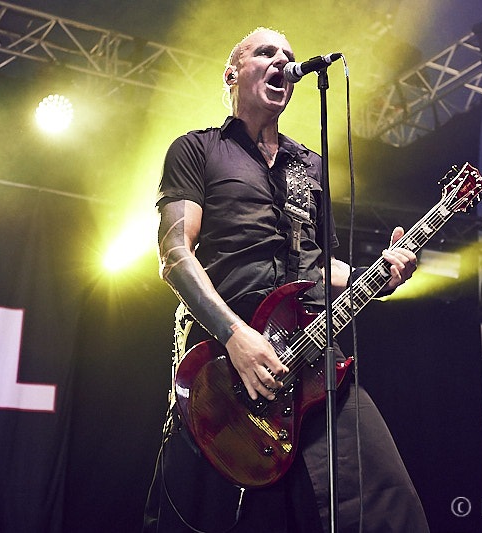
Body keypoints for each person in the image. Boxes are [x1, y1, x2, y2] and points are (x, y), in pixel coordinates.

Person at [143, 27, 429, 533]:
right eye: (266, 52)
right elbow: (174, 255)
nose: (283, 62)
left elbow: (325, 269)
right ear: (232, 74)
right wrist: (237, 337)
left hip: (313, 352)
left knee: (387, 504)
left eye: (290, 56)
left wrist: (381, 274)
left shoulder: (309, 166)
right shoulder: (196, 150)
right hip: (228, 365)